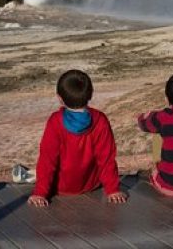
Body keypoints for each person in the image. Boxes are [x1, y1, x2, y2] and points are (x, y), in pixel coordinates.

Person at [29, 69, 127, 206]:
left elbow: (47, 160)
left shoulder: (55, 122)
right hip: (91, 184)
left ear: (59, 98)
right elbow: (106, 158)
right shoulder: (100, 120)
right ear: (91, 94)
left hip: (60, 187)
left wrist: (40, 193)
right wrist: (112, 190)